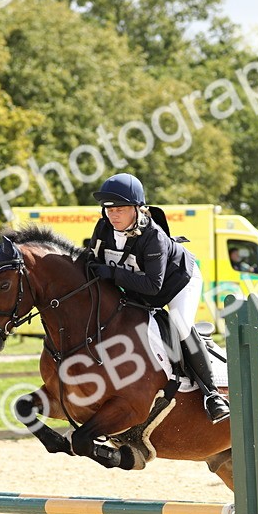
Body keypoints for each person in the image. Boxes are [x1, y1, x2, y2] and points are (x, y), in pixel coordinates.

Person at [87, 173, 230, 423]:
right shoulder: (104, 228)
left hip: (178, 282)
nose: (113, 215)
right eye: (108, 209)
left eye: (120, 209)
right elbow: (93, 260)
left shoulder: (152, 236)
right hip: (140, 287)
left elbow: (153, 286)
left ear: (137, 208)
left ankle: (212, 395)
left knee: (180, 323)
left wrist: (111, 273)